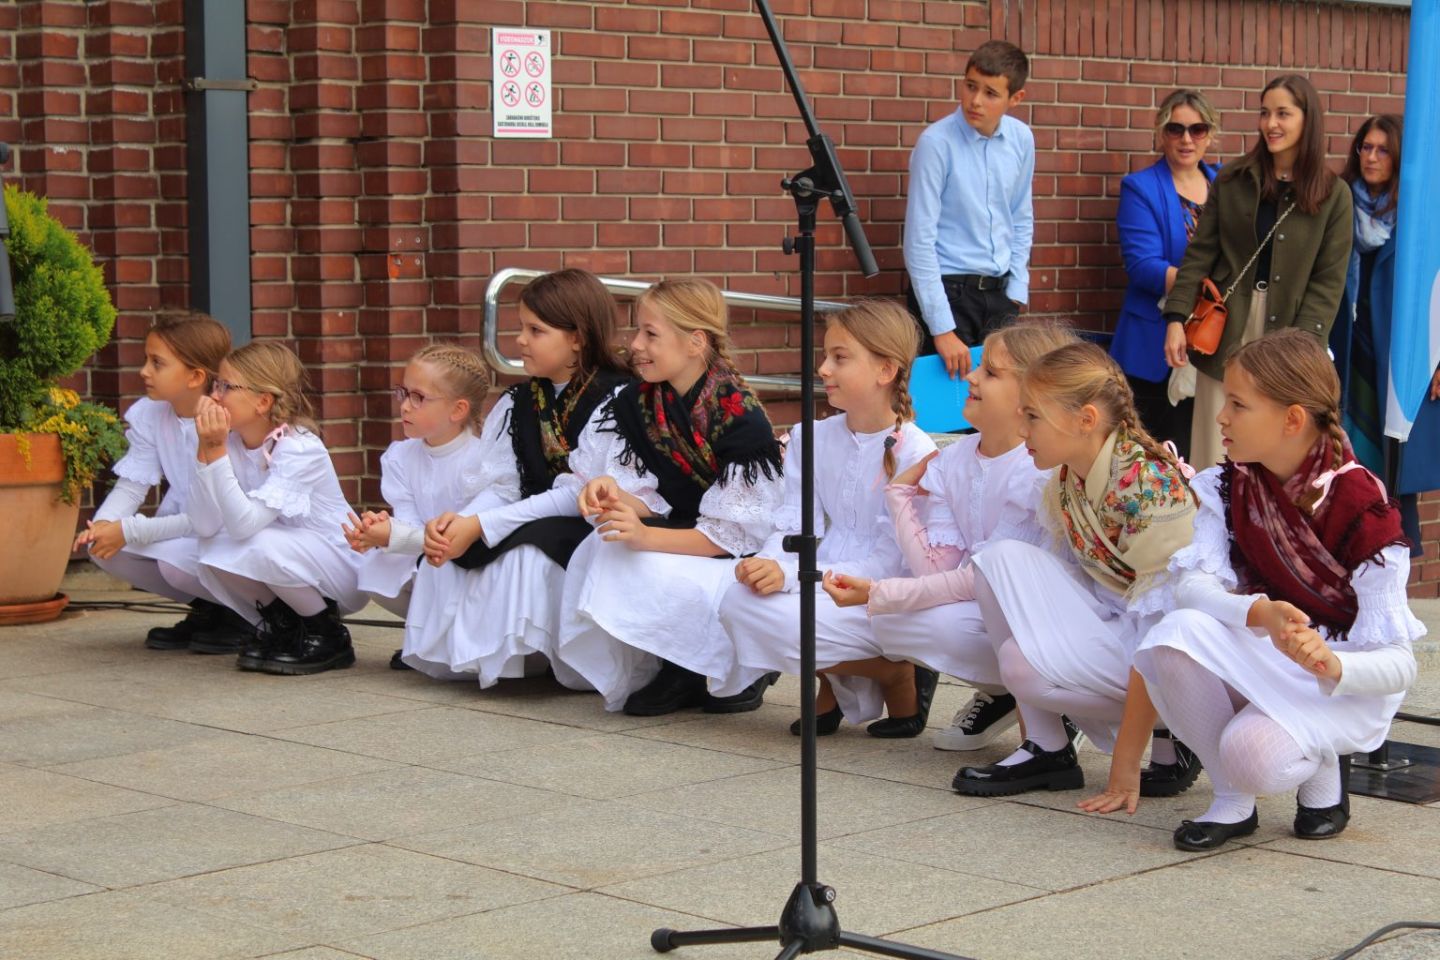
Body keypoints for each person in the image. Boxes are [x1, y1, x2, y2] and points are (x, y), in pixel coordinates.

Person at [1133, 330, 1422, 850]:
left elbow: (1401, 665)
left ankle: (1324, 766)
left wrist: (1331, 663)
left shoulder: (1364, 508)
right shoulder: (1226, 484)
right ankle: (1231, 802)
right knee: (1175, 632)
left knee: (1251, 756)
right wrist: (1257, 612)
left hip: (1340, 678)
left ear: (1292, 419)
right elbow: (1193, 587)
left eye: (1238, 405)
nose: (1221, 417)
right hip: (1270, 649)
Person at [949, 343, 1200, 806]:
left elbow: (1163, 631)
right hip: (1122, 623)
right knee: (997, 563)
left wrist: (1125, 769)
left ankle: (1176, 725)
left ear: (1085, 419)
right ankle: (1045, 746)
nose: (1021, 430)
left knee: (1023, 666)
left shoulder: (1150, 486)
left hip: (1178, 651)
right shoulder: (1068, 477)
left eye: (1033, 417)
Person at [822, 322, 1078, 750]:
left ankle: (1057, 699)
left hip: (1052, 615)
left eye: (990, 372)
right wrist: (898, 495)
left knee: (907, 612)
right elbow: (933, 570)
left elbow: (985, 575)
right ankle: (1004, 693)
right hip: (997, 606)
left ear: (1033, 392)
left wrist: (881, 592)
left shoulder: (1038, 468)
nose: (971, 377)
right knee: (899, 623)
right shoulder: (954, 459)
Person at [557, 278, 785, 715]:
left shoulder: (740, 420)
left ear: (695, 342)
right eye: (637, 331)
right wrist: (609, 492)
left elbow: (735, 536)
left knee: (632, 552)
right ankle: (679, 665)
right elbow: (651, 497)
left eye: (650, 333)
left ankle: (741, 664)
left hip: (738, 558)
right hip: (684, 534)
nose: (635, 345)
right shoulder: (637, 402)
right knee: (607, 546)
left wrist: (645, 537)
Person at [718, 300, 938, 737]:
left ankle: (894, 672)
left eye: (840, 357)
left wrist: (794, 577)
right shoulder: (810, 437)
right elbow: (793, 525)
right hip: (822, 576)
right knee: (736, 603)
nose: (822, 368)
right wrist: (770, 565)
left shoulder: (917, 452)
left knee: (794, 621)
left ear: (885, 370)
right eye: (825, 356)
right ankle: (838, 678)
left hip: (877, 590)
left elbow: (890, 560)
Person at [416, 270, 632, 686]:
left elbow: (578, 493)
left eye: (536, 330)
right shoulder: (520, 401)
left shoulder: (618, 399)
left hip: (591, 521)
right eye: (521, 327)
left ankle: (550, 654)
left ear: (577, 338)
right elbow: (503, 484)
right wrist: (466, 521)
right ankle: (477, 653)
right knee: (456, 543)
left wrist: (484, 524)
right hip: (529, 513)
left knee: (526, 552)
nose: (520, 340)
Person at [1163, 74, 1353, 469]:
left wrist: (1299, 350)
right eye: (1265, 113)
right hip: (1226, 328)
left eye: (1283, 113)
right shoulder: (1233, 180)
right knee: (1216, 448)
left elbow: (1327, 283)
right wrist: (1177, 318)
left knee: (1278, 452)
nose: (1271, 123)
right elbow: (1200, 254)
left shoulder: (1334, 195)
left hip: (1290, 331)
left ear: (1307, 119)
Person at [186, 341, 365, 676]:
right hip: (292, 558)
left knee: (253, 541)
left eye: (226, 387)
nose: (214, 396)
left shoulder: (299, 448)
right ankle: (285, 627)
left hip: (341, 566)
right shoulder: (232, 442)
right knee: (212, 547)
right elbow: (204, 524)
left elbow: (244, 526)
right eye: (216, 385)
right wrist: (205, 450)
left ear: (263, 401)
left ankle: (326, 633)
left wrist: (216, 450)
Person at [75, 313, 250, 651]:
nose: (144, 371)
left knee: (172, 565)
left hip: (229, 533)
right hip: (187, 527)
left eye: (157, 363)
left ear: (195, 376)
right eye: (146, 360)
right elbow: (131, 485)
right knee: (103, 549)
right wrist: (105, 525)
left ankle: (242, 614)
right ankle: (209, 610)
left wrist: (129, 530)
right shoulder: (151, 414)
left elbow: (210, 520)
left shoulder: (225, 421)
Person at [343, 344, 496, 675]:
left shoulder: (480, 460)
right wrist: (381, 530)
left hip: (470, 563)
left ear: (458, 410)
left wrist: (393, 536)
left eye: (418, 398)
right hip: (429, 555)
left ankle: (451, 639)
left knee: (436, 568)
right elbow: (410, 521)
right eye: (403, 393)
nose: (404, 406)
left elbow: (464, 536)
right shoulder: (401, 456)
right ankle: (426, 636)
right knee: (376, 565)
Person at [1329, 114, 1440, 552]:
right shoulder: (1338, 204)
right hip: (1345, 350)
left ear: (1399, 158)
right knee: (1342, 462)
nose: (1371, 157)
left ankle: (1392, 565)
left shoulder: (1420, 217)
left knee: (1392, 471)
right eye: (1365, 147)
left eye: (1382, 150)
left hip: (1396, 362)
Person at [903, 39, 1033, 379]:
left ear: (1015, 98)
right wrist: (941, 327)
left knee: (999, 402)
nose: (975, 100)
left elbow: (1020, 216)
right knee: (945, 407)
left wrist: (1016, 290)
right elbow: (918, 241)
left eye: (990, 93)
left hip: (1000, 296)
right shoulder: (936, 144)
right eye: (971, 86)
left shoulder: (1022, 139)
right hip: (948, 294)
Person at [1111, 89, 1221, 458]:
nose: (1187, 139)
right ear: (1161, 133)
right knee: (1159, 458)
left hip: (1214, 341)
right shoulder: (1140, 187)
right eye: (1176, 129)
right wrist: (1205, 288)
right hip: (1155, 347)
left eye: (1197, 129)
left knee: (1208, 455)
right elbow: (1143, 266)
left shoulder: (1226, 183)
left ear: (1210, 133)